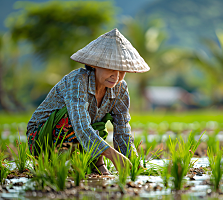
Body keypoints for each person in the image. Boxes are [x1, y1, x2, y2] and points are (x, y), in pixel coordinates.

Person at [26, 28, 150, 175]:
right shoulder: (77, 81)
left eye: (121, 70)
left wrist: (132, 161)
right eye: (111, 68)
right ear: (94, 64)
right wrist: (113, 156)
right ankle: (53, 162)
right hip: (42, 136)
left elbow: (123, 129)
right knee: (70, 119)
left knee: (98, 124)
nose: (116, 76)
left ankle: (94, 164)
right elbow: (80, 126)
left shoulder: (120, 88)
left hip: (80, 137)